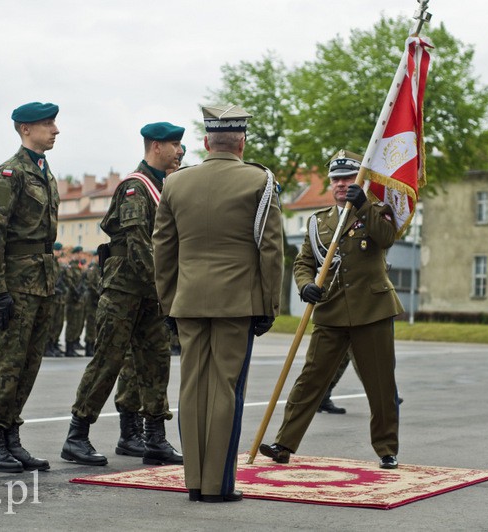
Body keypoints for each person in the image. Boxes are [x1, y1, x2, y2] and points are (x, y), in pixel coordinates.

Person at [153, 104, 284, 503]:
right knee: (226, 389)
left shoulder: (175, 183)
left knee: (191, 387)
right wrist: (268, 305)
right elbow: (271, 249)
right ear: (241, 142)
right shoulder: (259, 182)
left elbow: (163, 249)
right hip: (237, 303)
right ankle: (217, 485)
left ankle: (194, 482)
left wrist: (168, 302)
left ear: (207, 141)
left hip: (188, 300)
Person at [259, 150, 404, 470]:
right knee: (310, 381)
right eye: (336, 179)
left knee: (380, 386)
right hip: (331, 312)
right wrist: (305, 285)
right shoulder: (317, 221)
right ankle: (284, 443)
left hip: (372, 311)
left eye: (348, 178)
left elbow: (386, 239)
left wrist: (363, 205)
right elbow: (303, 263)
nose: (341, 184)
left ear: (360, 180)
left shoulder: (377, 211)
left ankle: (386, 449)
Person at [61, 121, 185, 468]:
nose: (179, 152)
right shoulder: (136, 187)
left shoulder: (165, 186)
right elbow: (137, 244)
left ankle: (154, 438)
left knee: (156, 360)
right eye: (174, 145)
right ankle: (77, 436)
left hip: (150, 292)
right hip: (125, 289)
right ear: (155, 147)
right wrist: (167, 288)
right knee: (108, 360)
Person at [0, 101, 60, 473]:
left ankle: (11, 435)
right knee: (6, 364)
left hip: (42, 281)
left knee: (29, 364)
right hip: (16, 281)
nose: (55, 130)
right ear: (25, 129)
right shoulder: (10, 174)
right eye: (47, 124)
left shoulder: (44, 172)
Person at [63, 246, 86, 357]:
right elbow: (69, 282)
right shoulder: (70, 268)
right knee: (72, 324)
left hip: (79, 299)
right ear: (74, 254)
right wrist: (76, 292)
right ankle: (69, 348)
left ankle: (72, 346)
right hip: (72, 299)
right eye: (79, 253)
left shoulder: (78, 268)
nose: (81, 255)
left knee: (77, 323)